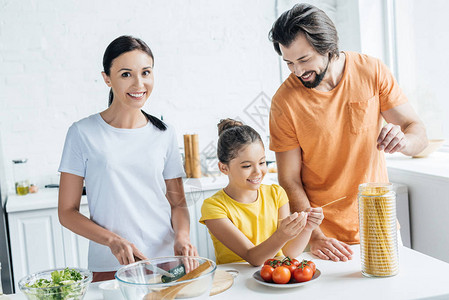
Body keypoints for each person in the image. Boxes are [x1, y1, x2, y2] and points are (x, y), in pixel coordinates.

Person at [268, 4, 428, 262]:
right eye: (289, 63)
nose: (297, 71)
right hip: (323, 240)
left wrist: (404, 141)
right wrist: (315, 235)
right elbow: (289, 180)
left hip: (380, 225)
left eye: (304, 59)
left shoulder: (371, 71)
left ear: (328, 47)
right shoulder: (284, 102)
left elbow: (417, 131)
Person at [58, 35, 197, 282]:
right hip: (111, 263)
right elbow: (67, 212)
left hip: (164, 262)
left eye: (146, 72)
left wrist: (182, 237)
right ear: (107, 78)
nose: (138, 83)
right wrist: (113, 241)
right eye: (126, 74)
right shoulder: (82, 133)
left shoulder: (164, 133)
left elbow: (177, 204)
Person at [199, 119, 324, 266]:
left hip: (274, 277)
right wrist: (281, 235)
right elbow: (253, 257)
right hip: (237, 282)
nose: (258, 172)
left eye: (262, 162)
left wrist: (307, 228)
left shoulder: (276, 194)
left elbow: (288, 253)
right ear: (223, 168)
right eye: (246, 166)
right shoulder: (214, 207)